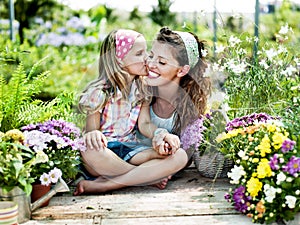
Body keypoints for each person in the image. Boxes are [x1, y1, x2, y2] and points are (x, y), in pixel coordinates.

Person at [74, 29, 188, 195]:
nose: (147, 58)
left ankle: (109, 184)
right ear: (120, 62)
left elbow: (145, 124)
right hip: (105, 151)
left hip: (131, 149)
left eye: (146, 52)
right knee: (88, 149)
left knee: (180, 156)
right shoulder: (99, 92)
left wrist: (162, 134)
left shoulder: (142, 89)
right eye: (139, 54)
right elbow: (92, 130)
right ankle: (146, 177)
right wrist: (92, 134)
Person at [137, 27, 211, 161]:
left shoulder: (190, 107)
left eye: (162, 62)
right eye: (151, 56)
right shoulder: (140, 93)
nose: (151, 64)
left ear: (182, 71)